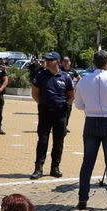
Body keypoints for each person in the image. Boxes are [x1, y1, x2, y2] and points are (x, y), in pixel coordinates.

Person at [74, 50, 107, 211]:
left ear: (93, 62)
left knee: (87, 163)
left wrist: (91, 108)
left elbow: (78, 105)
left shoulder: (83, 81)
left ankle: (82, 199)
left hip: (91, 121)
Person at [30, 51, 74, 179]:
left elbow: (71, 95)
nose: (47, 62)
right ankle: (38, 168)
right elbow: (35, 93)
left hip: (60, 114)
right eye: (47, 60)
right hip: (45, 112)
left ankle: (55, 167)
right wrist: (43, 103)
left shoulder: (65, 77)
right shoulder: (41, 76)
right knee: (43, 140)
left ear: (58, 62)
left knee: (58, 141)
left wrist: (66, 105)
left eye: (51, 60)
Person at [60, 56, 80, 130]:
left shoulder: (72, 71)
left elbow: (79, 79)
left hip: (70, 94)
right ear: (62, 63)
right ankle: (59, 125)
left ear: (70, 62)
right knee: (59, 109)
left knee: (68, 110)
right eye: (64, 62)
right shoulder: (59, 70)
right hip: (60, 93)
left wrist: (75, 86)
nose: (65, 63)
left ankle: (65, 125)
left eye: (67, 62)